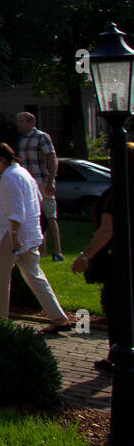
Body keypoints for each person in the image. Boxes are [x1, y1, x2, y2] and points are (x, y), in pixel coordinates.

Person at [0, 143, 72, 332]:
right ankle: (58, 317)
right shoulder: (24, 174)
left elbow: (16, 210)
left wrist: (14, 236)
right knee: (35, 276)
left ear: (2, 160)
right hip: (29, 234)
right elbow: (37, 201)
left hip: (11, 234)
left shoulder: (10, 178)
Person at [71, 141, 134, 372]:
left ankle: (118, 354)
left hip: (117, 258)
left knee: (116, 306)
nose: (109, 162)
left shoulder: (116, 193)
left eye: (112, 157)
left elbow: (107, 230)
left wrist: (85, 257)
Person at [17, 111, 64, 262]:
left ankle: (57, 252)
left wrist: (50, 181)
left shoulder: (41, 137)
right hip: (28, 185)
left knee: (49, 216)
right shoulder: (22, 140)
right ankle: (42, 250)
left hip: (42, 182)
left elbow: (52, 159)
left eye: (21, 121)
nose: (18, 124)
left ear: (31, 123)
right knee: (35, 217)